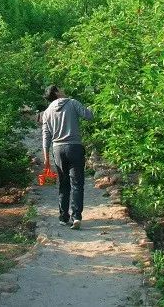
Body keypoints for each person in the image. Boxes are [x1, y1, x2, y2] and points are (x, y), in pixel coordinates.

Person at [40, 85, 93, 229]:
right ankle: (76, 217)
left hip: (57, 149)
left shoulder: (47, 112)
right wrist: (92, 106)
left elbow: (46, 135)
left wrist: (46, 157)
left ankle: (63, 217)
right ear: (57, 92)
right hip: (74, 147)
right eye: (61, 88)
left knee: (63, 184)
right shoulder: (72, 103)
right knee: (77, 183)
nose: (64, 90)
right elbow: (89, 116)